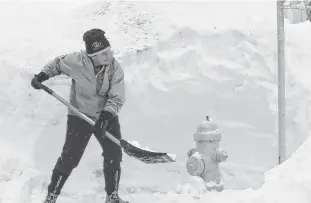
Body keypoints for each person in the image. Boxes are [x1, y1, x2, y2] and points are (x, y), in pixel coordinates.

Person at [31, 28, 128, 203]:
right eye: (103, 53)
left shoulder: (115, 67)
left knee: (114, 153)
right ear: (93, 55)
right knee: (70, 157)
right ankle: (51, 196)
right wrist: (42, 75)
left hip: (106, 115)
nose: (109, 55)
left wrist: (106, 116)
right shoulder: (77, 61)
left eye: (109, 50)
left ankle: (112, 197)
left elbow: (117, 96)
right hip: (79, 115)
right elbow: (57, 64)